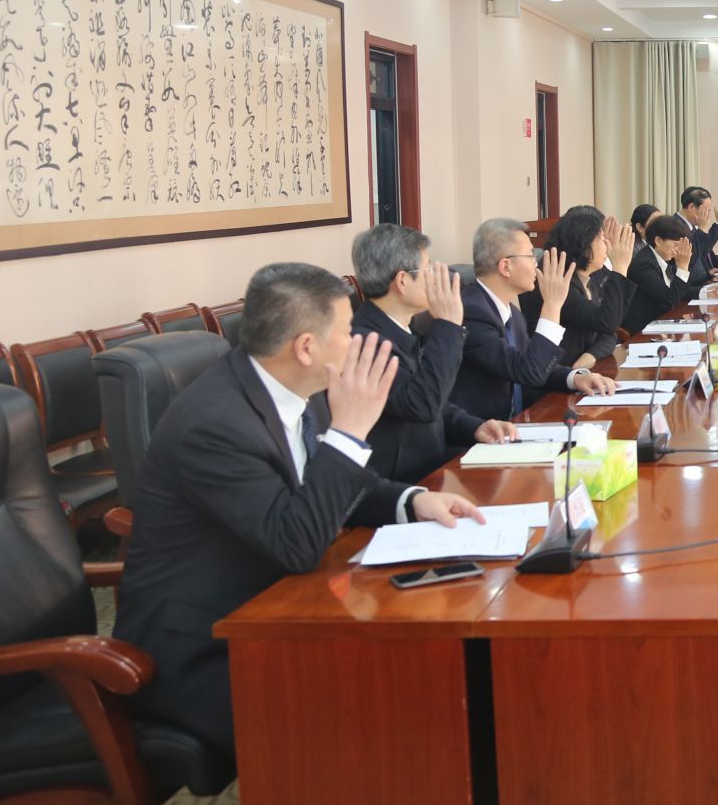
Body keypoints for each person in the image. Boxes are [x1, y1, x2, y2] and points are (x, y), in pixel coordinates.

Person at [115, 262, 484, 751]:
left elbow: (329, 486)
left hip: (277, 605)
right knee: (404, 692)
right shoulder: (214, 425)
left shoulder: (297, 390)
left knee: (448, 656)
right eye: (348, 332)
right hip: (205, 649)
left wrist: (413, 500)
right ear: (306, 347)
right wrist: (350, 432)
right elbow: (297, 544)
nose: (355, 343)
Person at [350, 224, 518, 484]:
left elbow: (437, 403)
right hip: (401, 485)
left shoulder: (401, 327)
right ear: (402, 281)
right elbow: (423, 403)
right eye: (428, 269)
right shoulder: (366, 343)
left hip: (434, 468)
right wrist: (448, 326)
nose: (436, 278)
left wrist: (475, 427)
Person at [449, 218, 617, 421]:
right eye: (530, 256)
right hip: (486, 431)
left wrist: (575, 378)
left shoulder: (511, 312)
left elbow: (535, 362)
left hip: (521, 423)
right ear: (505, 267)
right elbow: (529, 371)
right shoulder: (472, 314)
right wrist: (552, 305)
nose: (536, 264)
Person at [524, 205, 634, 370]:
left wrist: (591, 355)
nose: (607, 244)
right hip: (555, 376)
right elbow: (607, 323)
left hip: (581, 372)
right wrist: (620, 266)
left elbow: (610, 330)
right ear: (583, 243)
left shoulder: (593, 275)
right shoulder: (557, 280)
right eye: (602, 238)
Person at [625, 212, 704, 334]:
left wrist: (706, 292)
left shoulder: (660, 257)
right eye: (675, 245)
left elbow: (678, 291)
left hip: (662, 322)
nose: (677, 250)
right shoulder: (644, 264)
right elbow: (669, 298)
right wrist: (682, 267)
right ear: (658, 241)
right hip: (645, 330)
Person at [679, 185, 718, 271]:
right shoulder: (676, 227)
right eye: (707, 210)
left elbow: (706, 254)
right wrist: (702, 229)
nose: (708, 214)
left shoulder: (692, 226)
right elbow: (693, 259)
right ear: (691, 207)